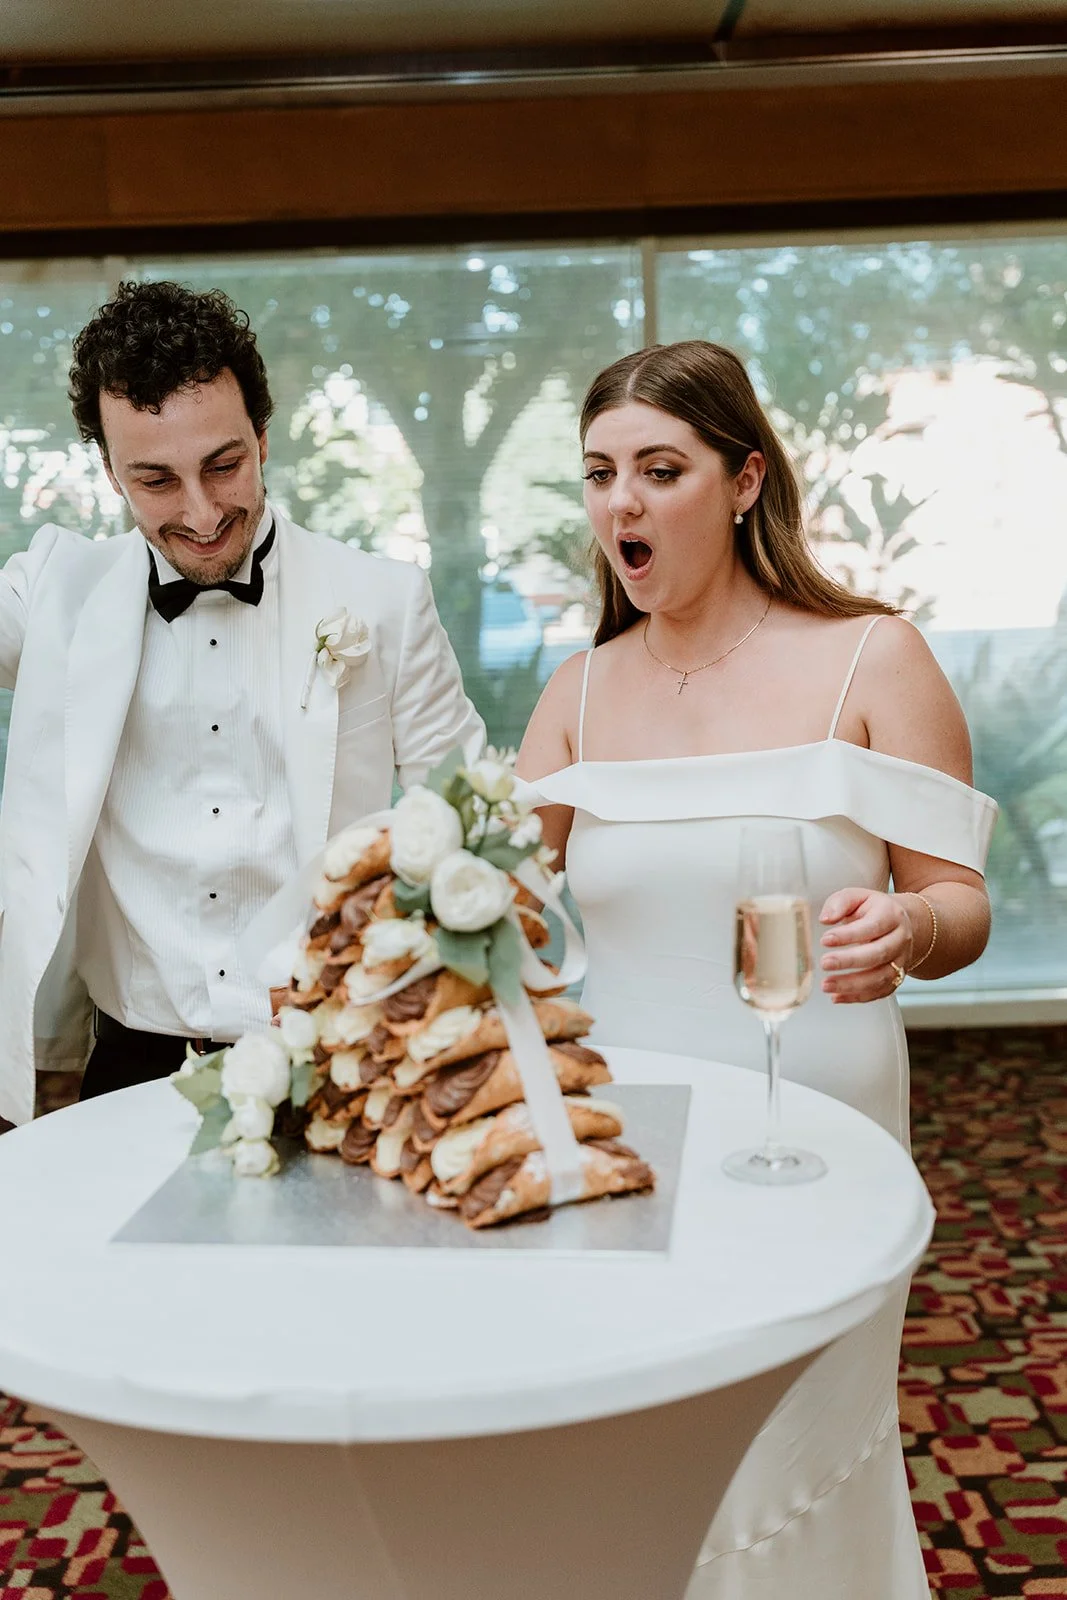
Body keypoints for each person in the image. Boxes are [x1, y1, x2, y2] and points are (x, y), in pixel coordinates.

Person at [517, 340, 995, 1598]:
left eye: (659, 469)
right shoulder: (574, 691)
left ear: (740, 482)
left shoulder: (869, 657)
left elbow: (957, 899)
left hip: (814, 1128)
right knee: (641, 1456)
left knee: (792, 1457)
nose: (622, 502)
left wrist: (913, 933)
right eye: (599, 473)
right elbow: (499, 911)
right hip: (625, 1141)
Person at [0, 280, 483, 1127]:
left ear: (263, 437)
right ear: (110, 471)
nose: (201, 512)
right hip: (130, 1066)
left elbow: (478, 831)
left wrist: (395, 968)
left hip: (335, 1054)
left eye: (224, 466)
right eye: (155, 479)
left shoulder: (383, 600)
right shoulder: (54, 595)